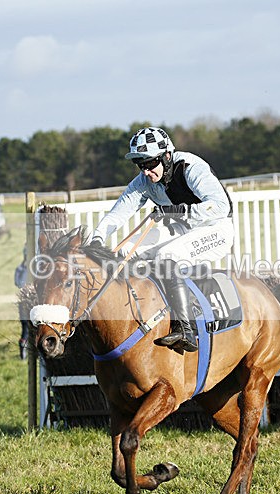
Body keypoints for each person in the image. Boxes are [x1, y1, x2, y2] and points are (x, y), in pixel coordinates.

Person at [91, 127, 234, 352]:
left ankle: (186, 329)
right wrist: (96, 240)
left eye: (150, 164)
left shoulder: (190, 167)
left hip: (216, 229)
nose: (146, 172)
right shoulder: (143, 181)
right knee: (127, 250)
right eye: (141, 165)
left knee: (168, 255)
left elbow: (221, 206)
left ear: (167, 156)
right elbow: (118, 214)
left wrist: (176, 209)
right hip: (182, 228)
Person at [14, 248, 31, 360]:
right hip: (27, 301)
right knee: (27, 327)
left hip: (25, 301)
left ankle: (24, 348)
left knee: (26, 328)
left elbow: (17, 282)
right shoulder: (23, 269)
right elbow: (18, 283)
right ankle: (24, 349)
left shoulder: (21, 269)